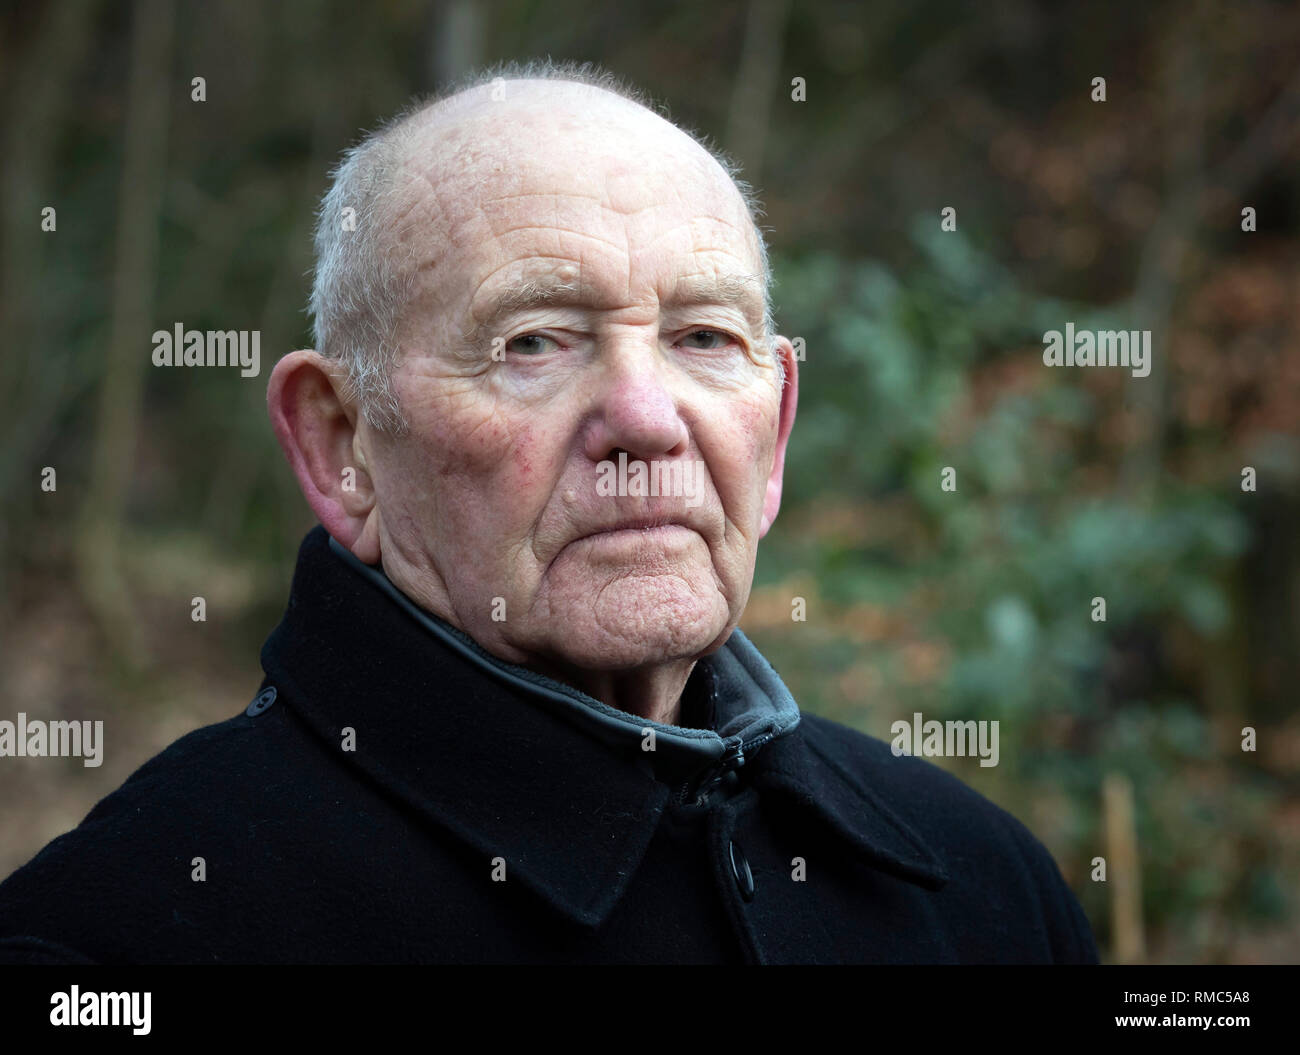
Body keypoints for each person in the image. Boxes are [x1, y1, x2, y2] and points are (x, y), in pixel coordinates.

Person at [0, 60, 1098, 964]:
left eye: (704, 337)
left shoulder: (981, 886)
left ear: (775, 430)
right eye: (533, 341)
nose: (645, 416)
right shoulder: (119, 940)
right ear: (342, 447)